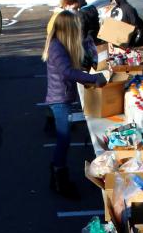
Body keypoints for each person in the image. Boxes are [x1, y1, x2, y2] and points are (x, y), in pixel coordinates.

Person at [44, 11, 106, 198]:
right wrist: (92, 78)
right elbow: (67, 72)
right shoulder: (56, 47)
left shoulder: (60, 45)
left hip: (61, 97)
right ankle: (59, 179)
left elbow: (72, 70)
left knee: (65, 138)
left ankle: (57, 172)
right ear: (68, 29)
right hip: (58, 99)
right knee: (64, 138)